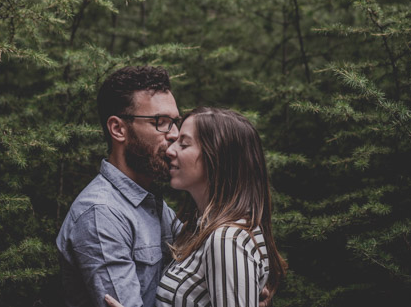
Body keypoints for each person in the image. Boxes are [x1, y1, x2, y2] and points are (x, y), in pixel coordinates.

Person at [105, 107, 287, 307]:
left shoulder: (227, 240)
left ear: (216, 158)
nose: (170, 150)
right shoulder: (200, 228)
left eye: (184, 144)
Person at [56, 65, 182, 307]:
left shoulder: (151, 202)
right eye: (161, 122)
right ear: (118, 129)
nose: (175, 134)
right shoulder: (101, 213)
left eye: (175, 122)